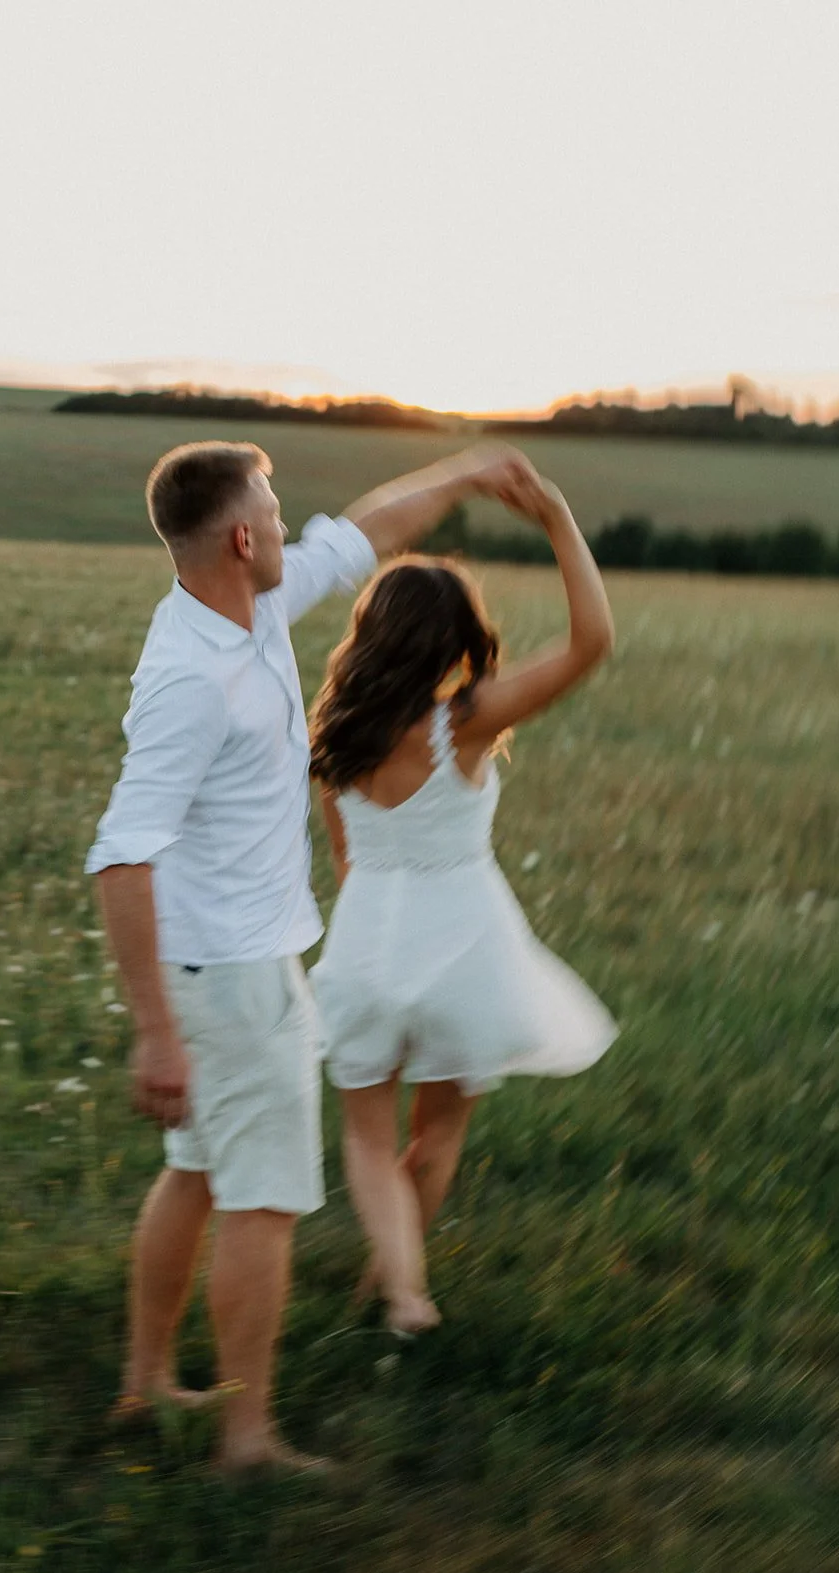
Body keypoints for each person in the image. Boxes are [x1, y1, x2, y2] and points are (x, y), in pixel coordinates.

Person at [85, 436, 530, 1474]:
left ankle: (146, 1385)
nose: (291, 528)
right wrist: (157, 1032)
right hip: (232, 979)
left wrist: (464, 475)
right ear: (243, 538)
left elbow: (364, 530)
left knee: (194, 1176)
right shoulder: (195, 677)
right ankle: (248, 1437)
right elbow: (120, 853)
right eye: (276, 516)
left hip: (226, 968)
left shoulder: (249, 612)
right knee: (265, 1202)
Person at [308, 460, 618, 1339]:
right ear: (456, 640)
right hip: (464, 948)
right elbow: (590, 644)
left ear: (369, 633)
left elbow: (344, 862)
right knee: (434, 1136)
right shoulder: (462, 724)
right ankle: (400, 1285)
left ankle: (397, 1286)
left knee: (367, 1139)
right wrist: (557, 517)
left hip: (366, 946)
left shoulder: (333, 736)